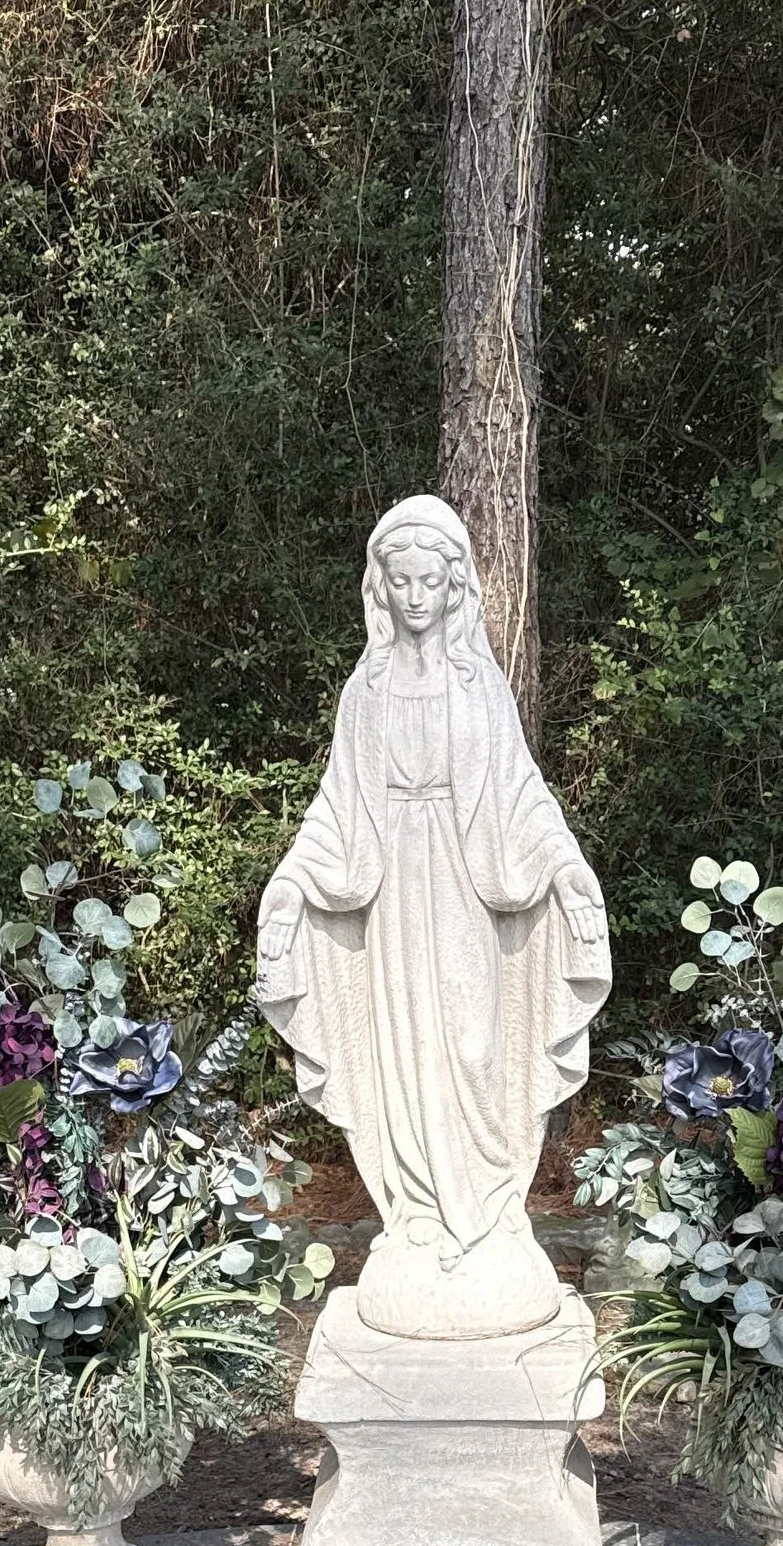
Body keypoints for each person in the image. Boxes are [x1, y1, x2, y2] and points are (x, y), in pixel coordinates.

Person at [256, 495, 612, 1342]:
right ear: (382, 587)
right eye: (402, 581)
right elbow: (337, 807)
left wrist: (565, 868)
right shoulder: (365, 689)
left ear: (456, 590)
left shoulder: (476, 684)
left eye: (432, 582)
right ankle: (418, 1214)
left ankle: (487, 1213)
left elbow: (523, 795)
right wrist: (291, 882)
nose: (417, 597)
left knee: (473, 1045)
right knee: (403, 1051)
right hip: (390, 898)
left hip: (464, 887)